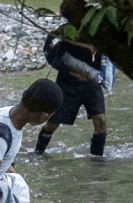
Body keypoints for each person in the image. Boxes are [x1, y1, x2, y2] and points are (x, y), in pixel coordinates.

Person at [38, 13, 110, 157]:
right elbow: (49, 52)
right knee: (53, 123)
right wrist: (68, 72)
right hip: (67, 84)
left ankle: (97, 160)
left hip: (92, 83)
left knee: (100, 121)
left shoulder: (100, 32)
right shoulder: (65, 31)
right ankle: (38, 152)